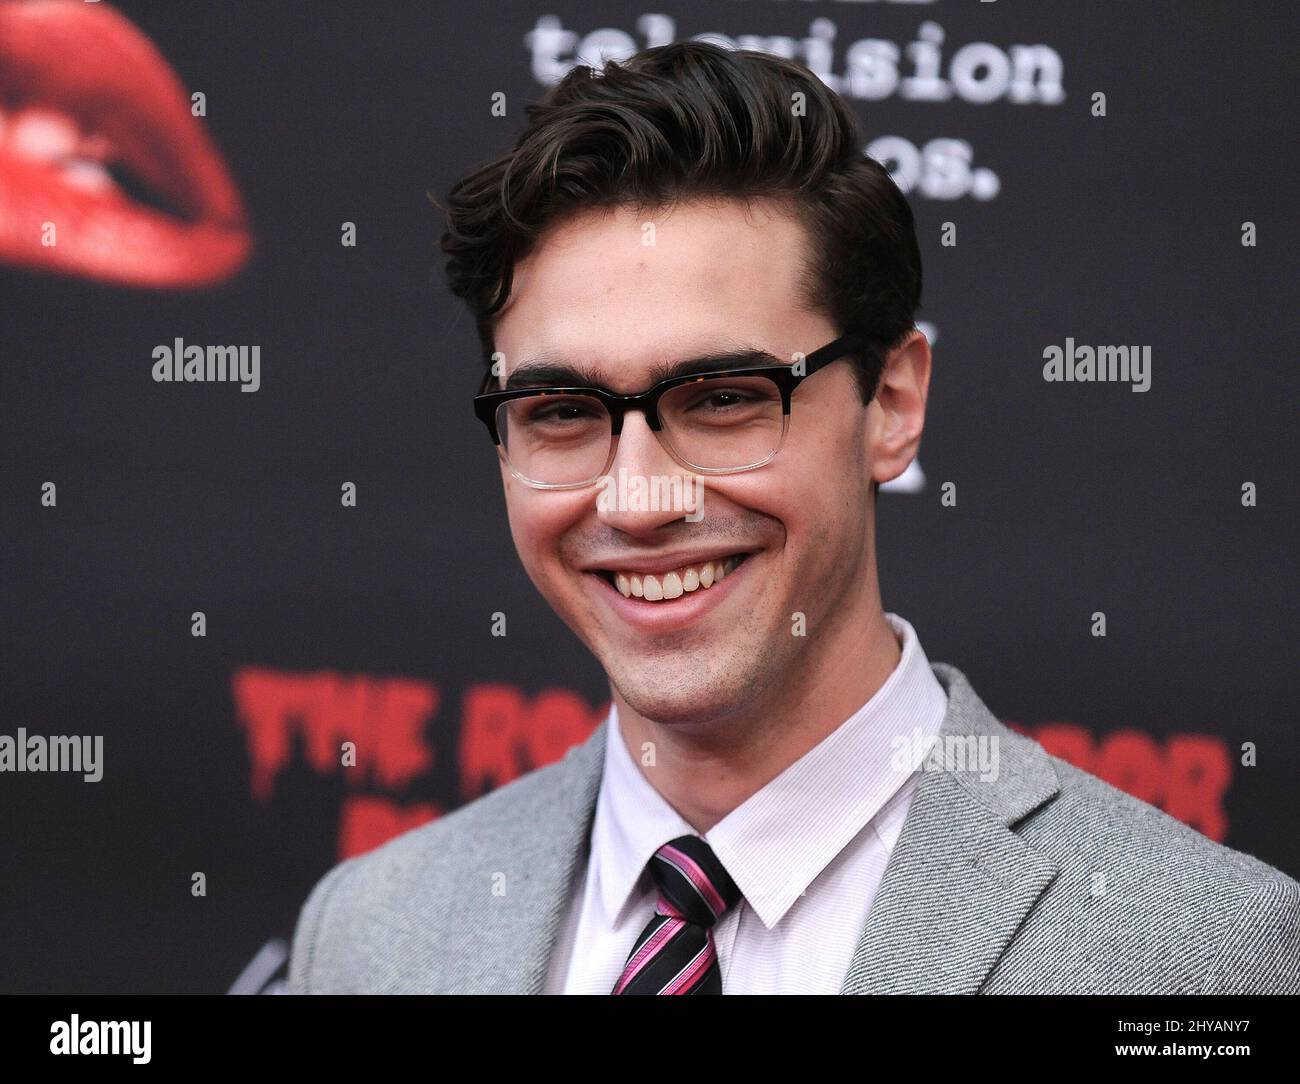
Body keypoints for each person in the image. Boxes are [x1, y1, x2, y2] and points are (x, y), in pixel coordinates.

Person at [288, 41, 1300, 994]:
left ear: (891, 405)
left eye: (723, 398)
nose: (637, 498)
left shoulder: (1200, 957)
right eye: (561, 413)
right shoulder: (372, 930)